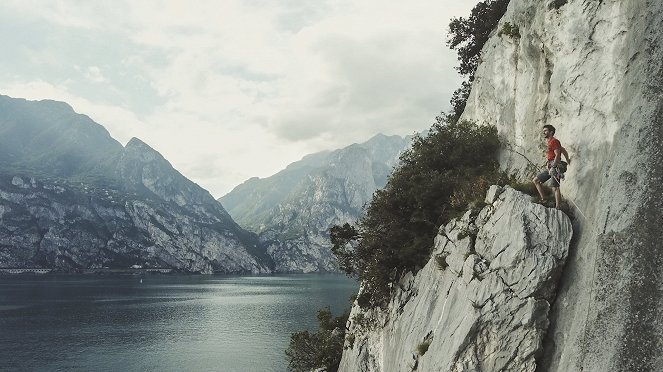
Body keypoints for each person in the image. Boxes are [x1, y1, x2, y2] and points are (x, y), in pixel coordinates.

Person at [533, 124, 570, 209]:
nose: (544, 132)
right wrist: (568, 160)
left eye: (545, 131)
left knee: (555, 187)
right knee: (536, 180)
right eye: (544, 131)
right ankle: (544, 199)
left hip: (555, 166)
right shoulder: (550, 142)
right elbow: (563, 150)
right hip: (551, 165)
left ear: (551, 132)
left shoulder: (554, 141)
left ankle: (558, 207)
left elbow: (557, 155)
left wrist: (553, 167)